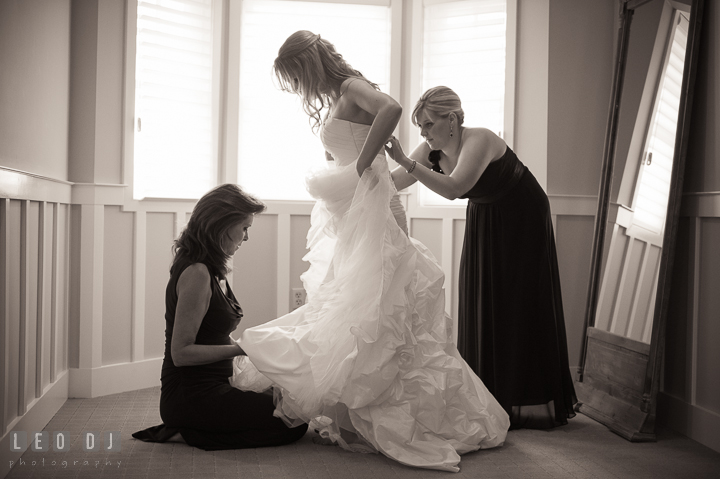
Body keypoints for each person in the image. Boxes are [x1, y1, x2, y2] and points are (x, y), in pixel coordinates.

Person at [233, 31, 509, 473]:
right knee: (360, 307)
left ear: (307, 67)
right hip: (357, 210)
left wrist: (361, 164)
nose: (298, 88)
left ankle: (399, 412)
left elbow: (393, 108)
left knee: (385, 309)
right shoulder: (338, 95)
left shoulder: (349, 86)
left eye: (295, 77)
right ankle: (355, 413)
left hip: (374, 207)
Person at [385, 86, 577, 429]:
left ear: (454, 120)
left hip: (522, 216)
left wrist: (405, 161)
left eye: (429, 125)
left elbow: (455, 188)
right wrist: (363, 176)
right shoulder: (431, 148)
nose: (424, 133)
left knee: (519, 303)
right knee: (482, 298)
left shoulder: (480, 139)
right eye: (421, 127)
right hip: (485, 216)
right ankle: (491, 395)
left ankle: (526, 397)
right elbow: (399, 180)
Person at [132, 184, 308, 450]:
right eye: (244, 228)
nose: (246, 237)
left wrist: (261, 347)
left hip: (215, 384)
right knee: (291, 424)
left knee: (290, 405)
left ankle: (195, 427)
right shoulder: (197, 273)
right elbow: (181, 353)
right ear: (221, 224)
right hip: (191, 395)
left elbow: (214, 332)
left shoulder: (212, 269)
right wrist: (241, 349)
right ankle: (186, 432)